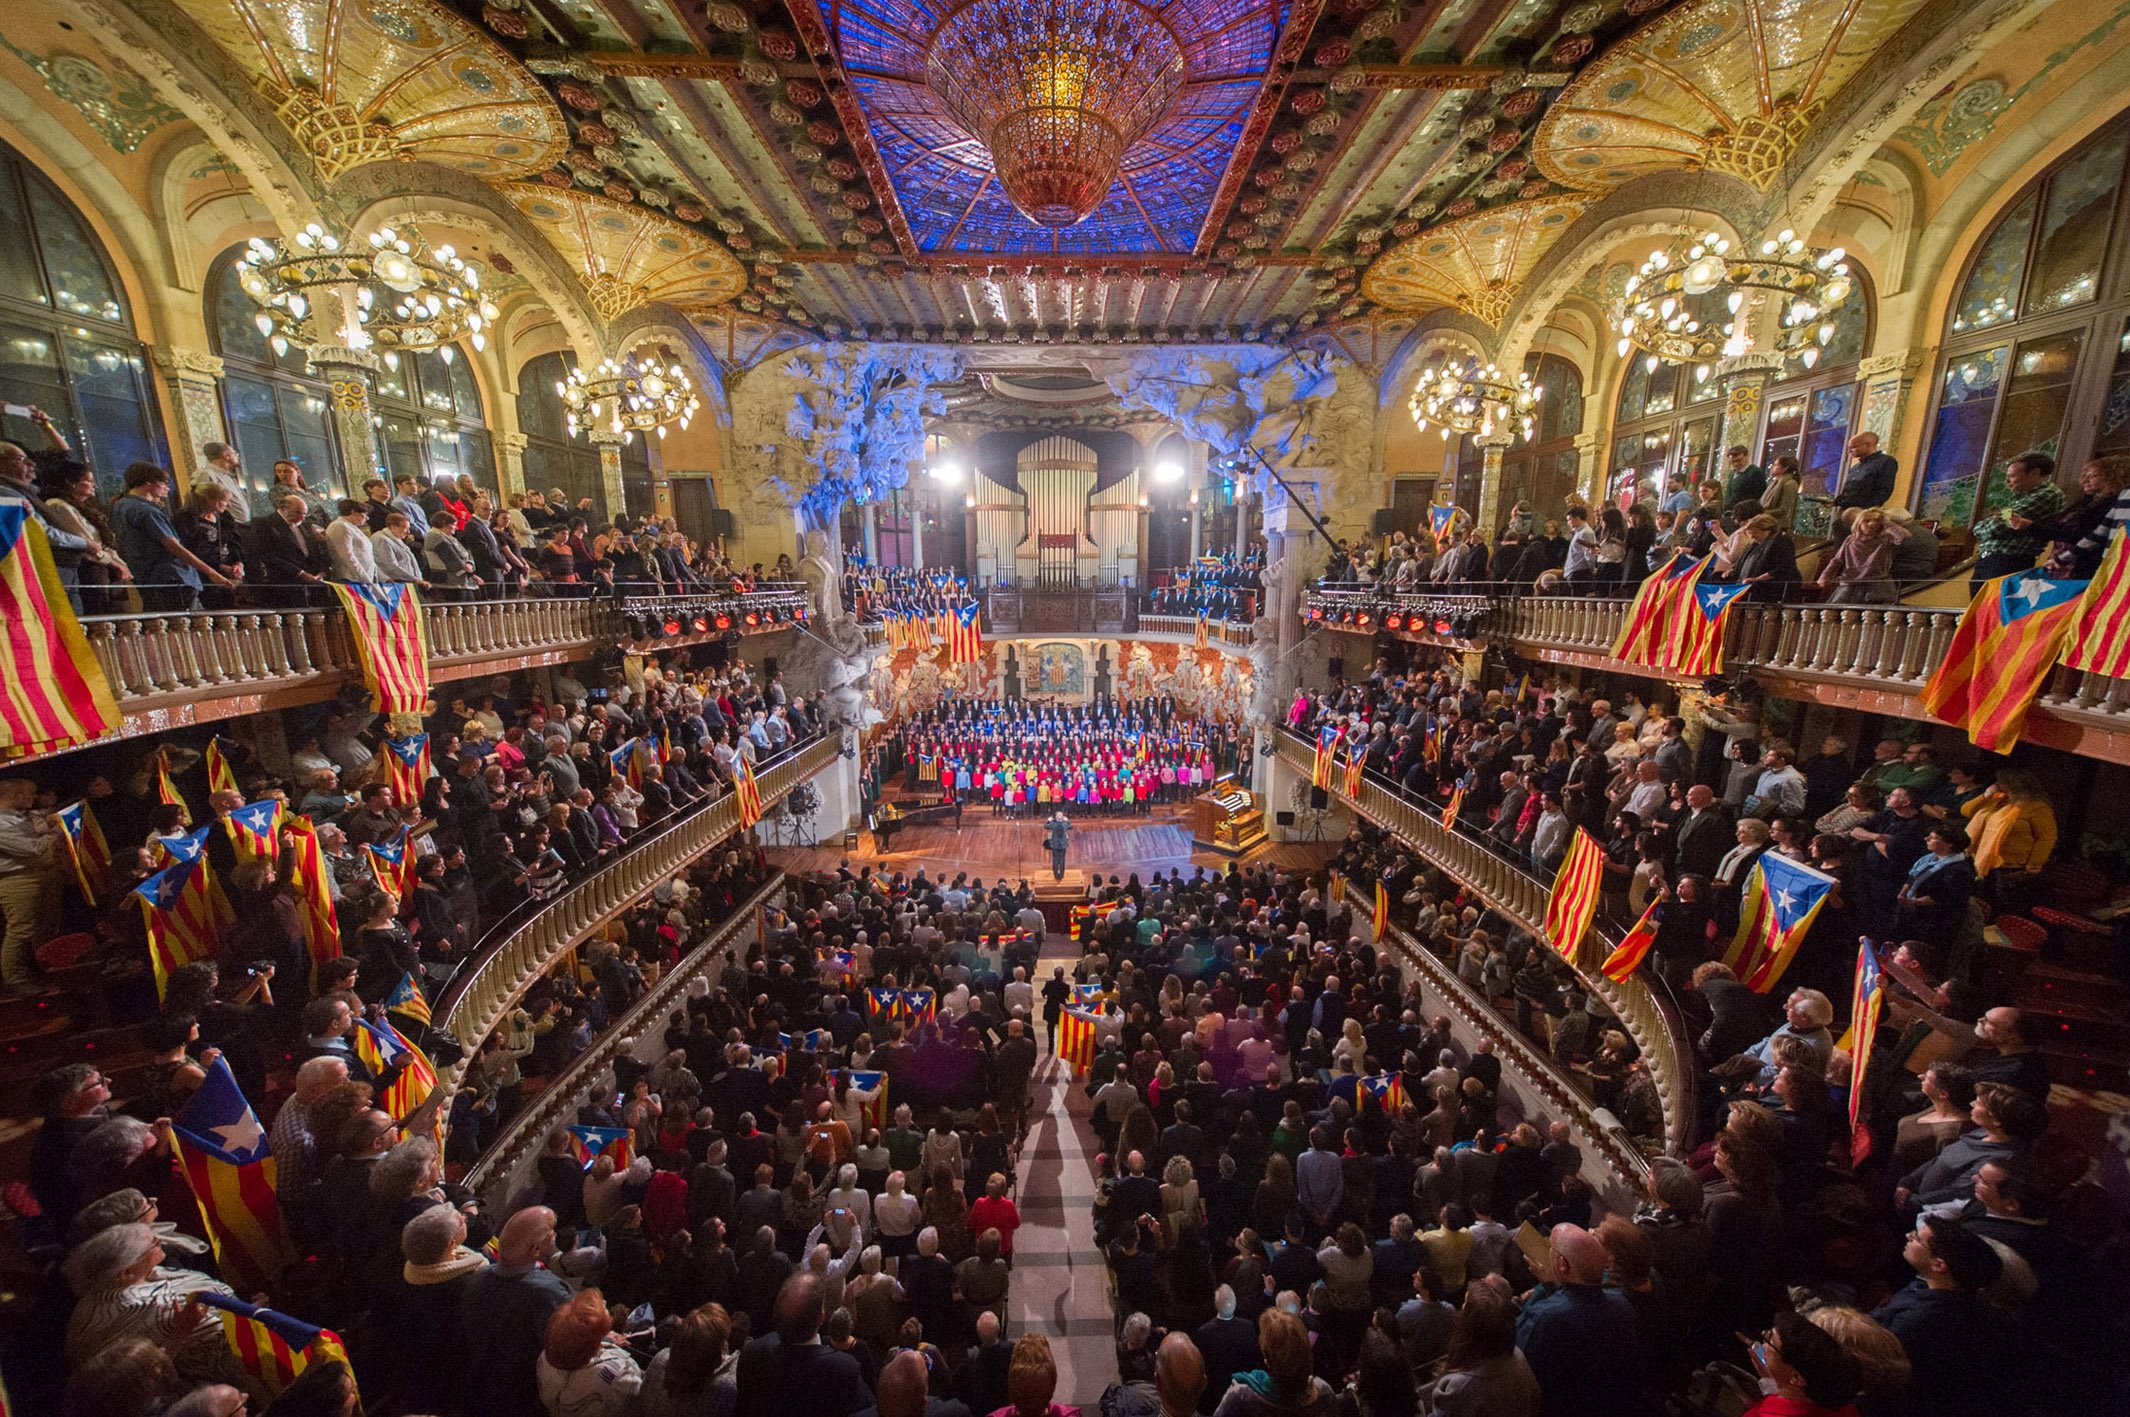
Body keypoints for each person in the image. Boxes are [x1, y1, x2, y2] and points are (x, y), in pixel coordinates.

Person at [1513, 1224, 1641, 1417]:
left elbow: (1516, 1366)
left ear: (1563, 1264)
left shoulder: (1543, 1318)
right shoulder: (1623, 1305)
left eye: (1551, 1249)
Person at [110, 463, 234, 610]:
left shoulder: (119, 506)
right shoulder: (147, 511)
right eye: (163, 483)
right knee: (190, 626)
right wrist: (212, 573)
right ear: (147, 482)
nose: (166, 488)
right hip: (172, 577)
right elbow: (174, 547)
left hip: (145, 576)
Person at [1971, 451, 2064, 589]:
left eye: (2012, 476)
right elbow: (1978, 528)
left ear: (2034, 473)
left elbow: (1998, 526)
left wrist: (1994, 520)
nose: (2007, 482)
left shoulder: (2047, 495)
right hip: (1993, 560)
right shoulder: (2022, 497)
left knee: (1992, 607)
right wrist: (1993, 519)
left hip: (2008, 561)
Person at [1831, 432, 1897, 512]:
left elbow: (1884, 490)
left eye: (1854, 447)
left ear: (1868, 445)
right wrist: (1836, 502)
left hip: (1863, 513)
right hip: (1844, 511)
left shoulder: (1886, 461)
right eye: (1849, 448)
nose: (1850, 451)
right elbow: (1850, 492)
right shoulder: (1855, 468)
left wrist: (1867, 511)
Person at [192, 442, 253, 523]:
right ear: (226, 455)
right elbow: (203, 504)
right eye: (235, 454)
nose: (237, 457)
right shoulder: (207, 474)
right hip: (228, 527)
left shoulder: (227, 476)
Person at [1045, 809, 1071, 881]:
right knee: (1061, 860)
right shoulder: (1065, 823)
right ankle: (1061, 875)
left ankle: (1056, 875)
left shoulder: (1053, 824)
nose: (1060, 815)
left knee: (1056, 860)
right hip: (1062, 845)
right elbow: (1070, 826)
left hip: (1055, 845)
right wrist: (1067, 820)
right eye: (1059, 814)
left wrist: (1048, 820)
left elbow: (1045, 826)